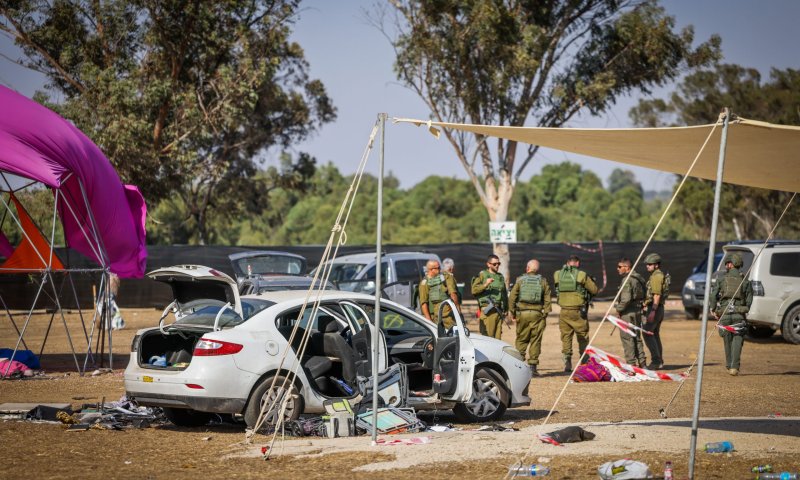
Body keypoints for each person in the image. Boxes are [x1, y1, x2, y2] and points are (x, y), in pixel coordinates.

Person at [710, 252, 753, 376]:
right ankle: (734, 367)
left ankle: (729, 365)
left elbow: (713, 296)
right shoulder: (746, 281)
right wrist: (743, 309)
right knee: (737, 340)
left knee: (727, 340)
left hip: (724, 314)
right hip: (739, 315)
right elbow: (749, 301)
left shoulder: (721, 279)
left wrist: (713, 309)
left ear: (730, 264)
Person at [554, 255, 598, 372]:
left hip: (564, 311)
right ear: (577, 263)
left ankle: (567, 362)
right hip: (578, 311)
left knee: (566, 337)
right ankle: (584, 362)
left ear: (567, 263)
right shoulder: (582, 274)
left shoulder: (557, 274)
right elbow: (594, 290)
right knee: (582, 337)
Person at [509, 259, 551, 376]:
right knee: (535, 340)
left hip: (522, 314)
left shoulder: (520, 280)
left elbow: (512, 297)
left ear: (527, 268)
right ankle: (533, 367)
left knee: (521, 339)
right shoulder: (542, 281)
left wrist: (512, 313)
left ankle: (518, 366)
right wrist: (544, 314)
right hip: (537, 314)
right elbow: (548, 300)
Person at [613, 258, 647, 367]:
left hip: (628, 313)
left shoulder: (627, 280)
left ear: (627, 267)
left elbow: (626, 299)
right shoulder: (638, 278)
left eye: (619, 267)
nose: (617, 269)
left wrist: (619, 309)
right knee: (637, 338)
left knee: (627, 338)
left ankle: (631, 365)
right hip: (637, 311)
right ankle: (642, 363)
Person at [471, 254, 508, 339]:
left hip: (498, 311)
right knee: (488, 338)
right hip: (488, 311)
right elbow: (474, 290)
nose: (497, 265)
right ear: (488, 264)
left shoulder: (500, 276)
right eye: (494, 264)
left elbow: (504, 294)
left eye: (499, 263)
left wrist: (506, 309)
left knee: (498, 340)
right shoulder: (482, 275)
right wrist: (486, 284)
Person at [642, 253, 669, 369]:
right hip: (658, 308)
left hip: (655, 308)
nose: (647, 266)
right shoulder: (657, 275)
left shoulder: (656, 276)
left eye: (650, 264)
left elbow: (657, 295)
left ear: (656, 265)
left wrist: (652, 311)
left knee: (647, 333)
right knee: (654, 334)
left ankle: (656, 361)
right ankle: (659, 361)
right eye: (647, 264)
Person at [418, 259, 459, 330]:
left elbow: (453, 294)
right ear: (431, 270)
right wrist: (429, 321)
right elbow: (423, 303)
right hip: (434, 317)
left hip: (447, 314)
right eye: (438, 268)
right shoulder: (424, 283)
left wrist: (458, 312)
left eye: (440, 267)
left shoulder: (446, 276)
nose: (440, 269)